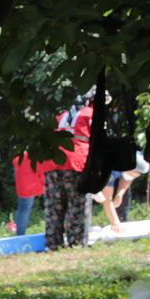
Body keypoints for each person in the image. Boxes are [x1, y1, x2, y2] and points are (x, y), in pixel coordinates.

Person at [45, 96, 93, 250]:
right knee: (78, 205)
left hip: (54, 161)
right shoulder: (90, 114)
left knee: (54, 207)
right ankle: (76, 243)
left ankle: (53, 244)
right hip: (77, 161)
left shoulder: (61, 116)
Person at [92, 150, 150, 231]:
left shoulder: (126, 166)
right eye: (136, 173)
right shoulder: (110, 170)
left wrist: (120, 194)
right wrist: (115, 222)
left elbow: (128, 179)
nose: (137, 175)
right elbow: (107, 199)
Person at [11, 152, 56, 236]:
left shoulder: (19, 158)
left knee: (23, 209)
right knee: (53, 206)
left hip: (24, 187)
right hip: (40, 184)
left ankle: (20, 236)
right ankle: (54, 233)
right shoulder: (42, 155)